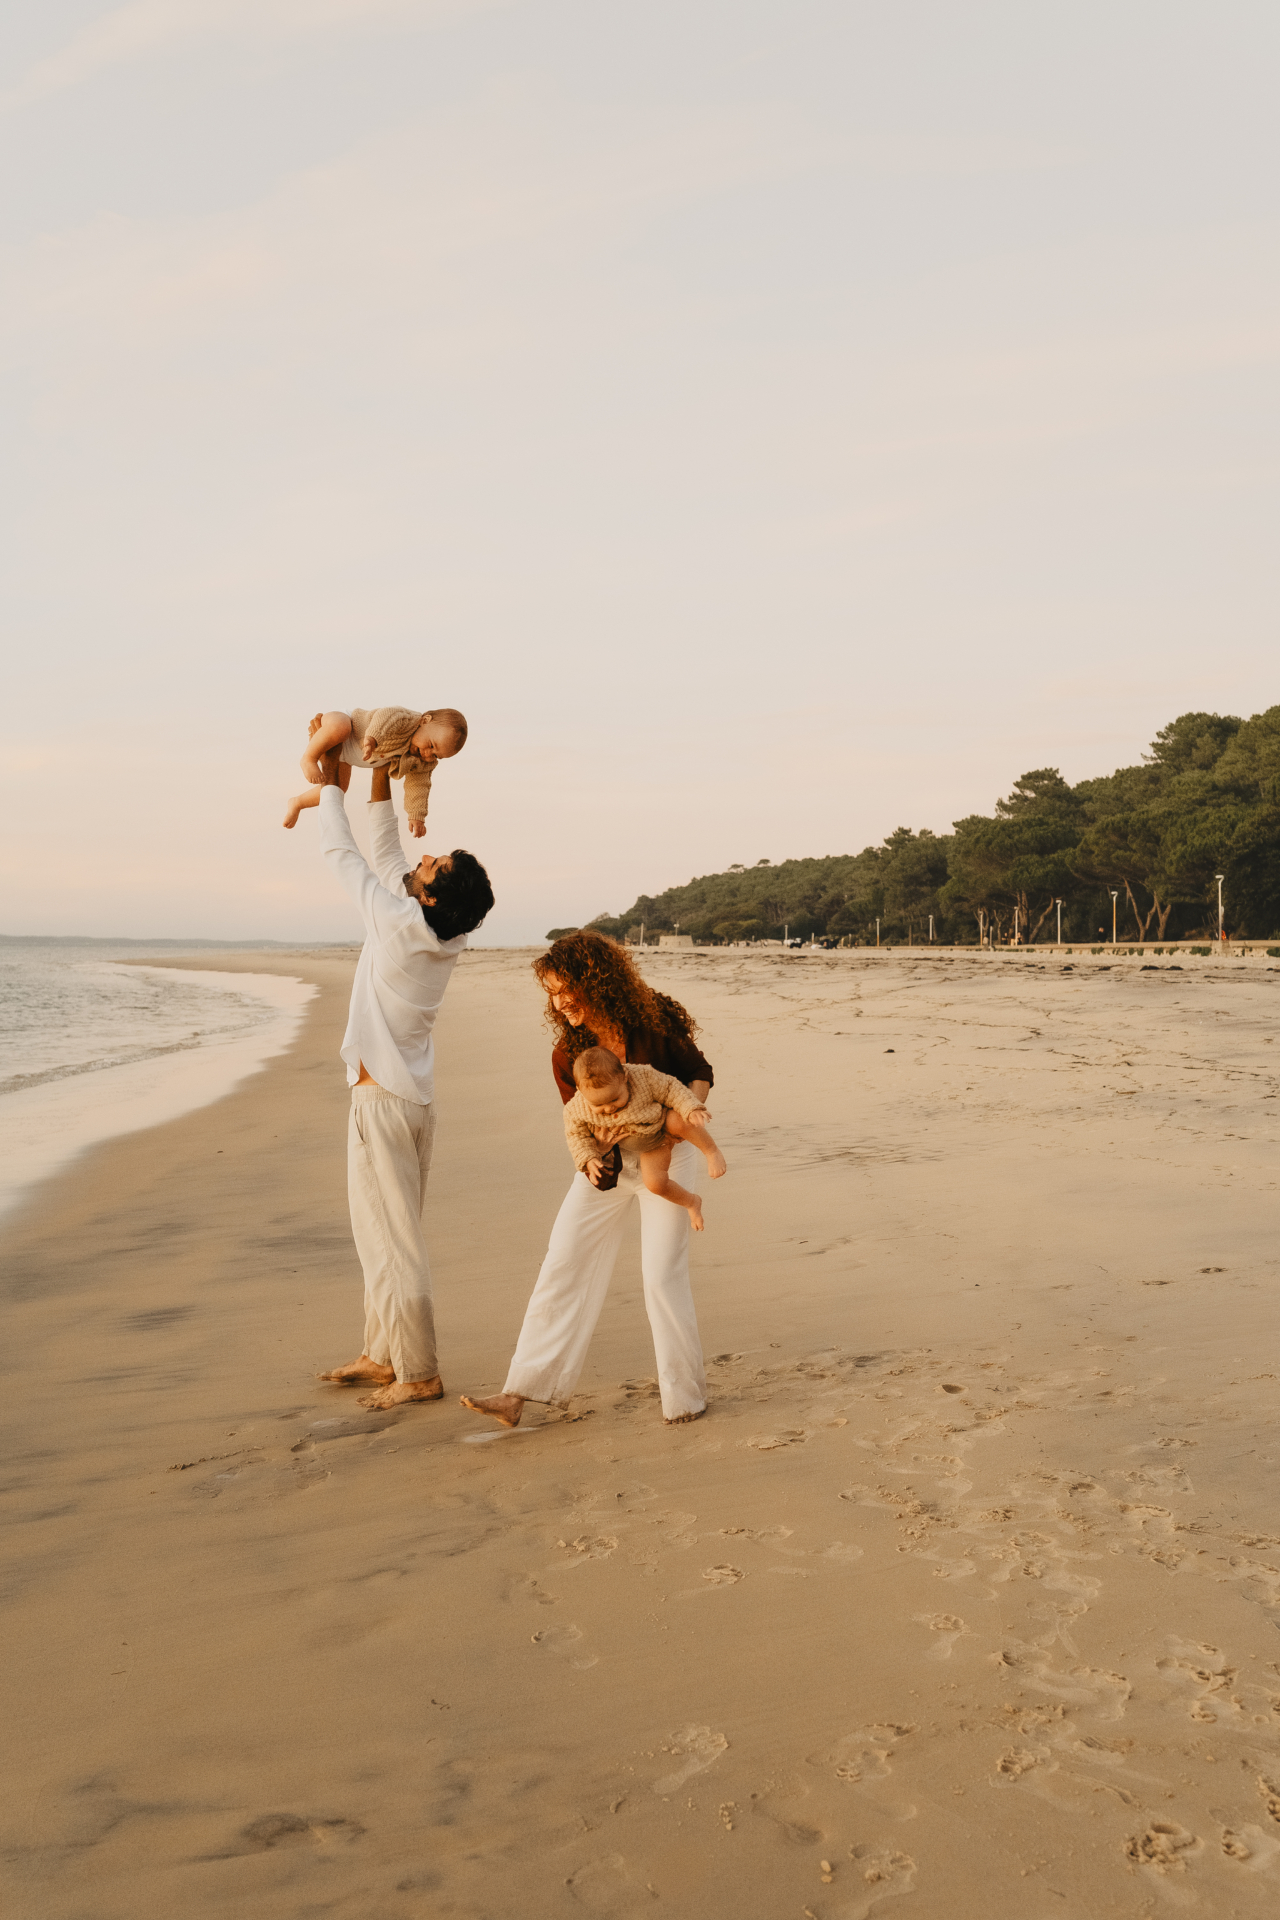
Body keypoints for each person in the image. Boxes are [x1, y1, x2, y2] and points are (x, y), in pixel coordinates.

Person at [461, 930, 715, 1428]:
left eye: (565, 988)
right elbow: (578, 1125)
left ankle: (685, 1399)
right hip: (609, 1169)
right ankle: (519, 1394)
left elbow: (698, 1071)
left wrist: (685, 1122)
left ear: (595, 979)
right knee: (562, 1262)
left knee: (661, 1276)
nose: (559, 1002)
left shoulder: (653, 1019)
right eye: (551, 993)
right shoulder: (568, 1052)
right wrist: (590, 1158)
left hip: (666, 1157)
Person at [313, 748, 493, 1410]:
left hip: (384, 1101)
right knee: (380, 1232)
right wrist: (381, 766)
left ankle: (419, 1370)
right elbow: (388, 851)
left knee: (394, 1239)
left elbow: (347, 857)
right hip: (407, 1101)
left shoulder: (397, 921)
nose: (423, 861)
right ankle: (381, 1352)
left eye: (433, 865)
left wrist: (331, 793)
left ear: (433, 893)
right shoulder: (437, 929)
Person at [564, 1046, 727, 1231]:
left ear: (624, 1076)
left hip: (661, 1123)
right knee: (655, 1184)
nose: (609, 1108)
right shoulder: (576, 1108)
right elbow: (576, 1135)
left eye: (615, 1099)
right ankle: (691, 1202)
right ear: (580, 1091)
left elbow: (671, 1089)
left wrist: (691, 1107)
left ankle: (711, 1151)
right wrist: (588, 1158)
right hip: (649, 1146)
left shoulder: (642, 1077)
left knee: (679, 1119)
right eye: (598, 1105)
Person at [284, 706, 468, 834]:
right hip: (350, 728)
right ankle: (308, 758)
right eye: (430, 745)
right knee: (341, 726)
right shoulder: (406, 719)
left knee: (338, 790)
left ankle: (298, 802)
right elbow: (386, 717)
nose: (428, 754)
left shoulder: (420, 761)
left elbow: (419, 787)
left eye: (436, 755)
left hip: (349, 757)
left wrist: (417, 815)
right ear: (425, 720)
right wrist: (372, 739)